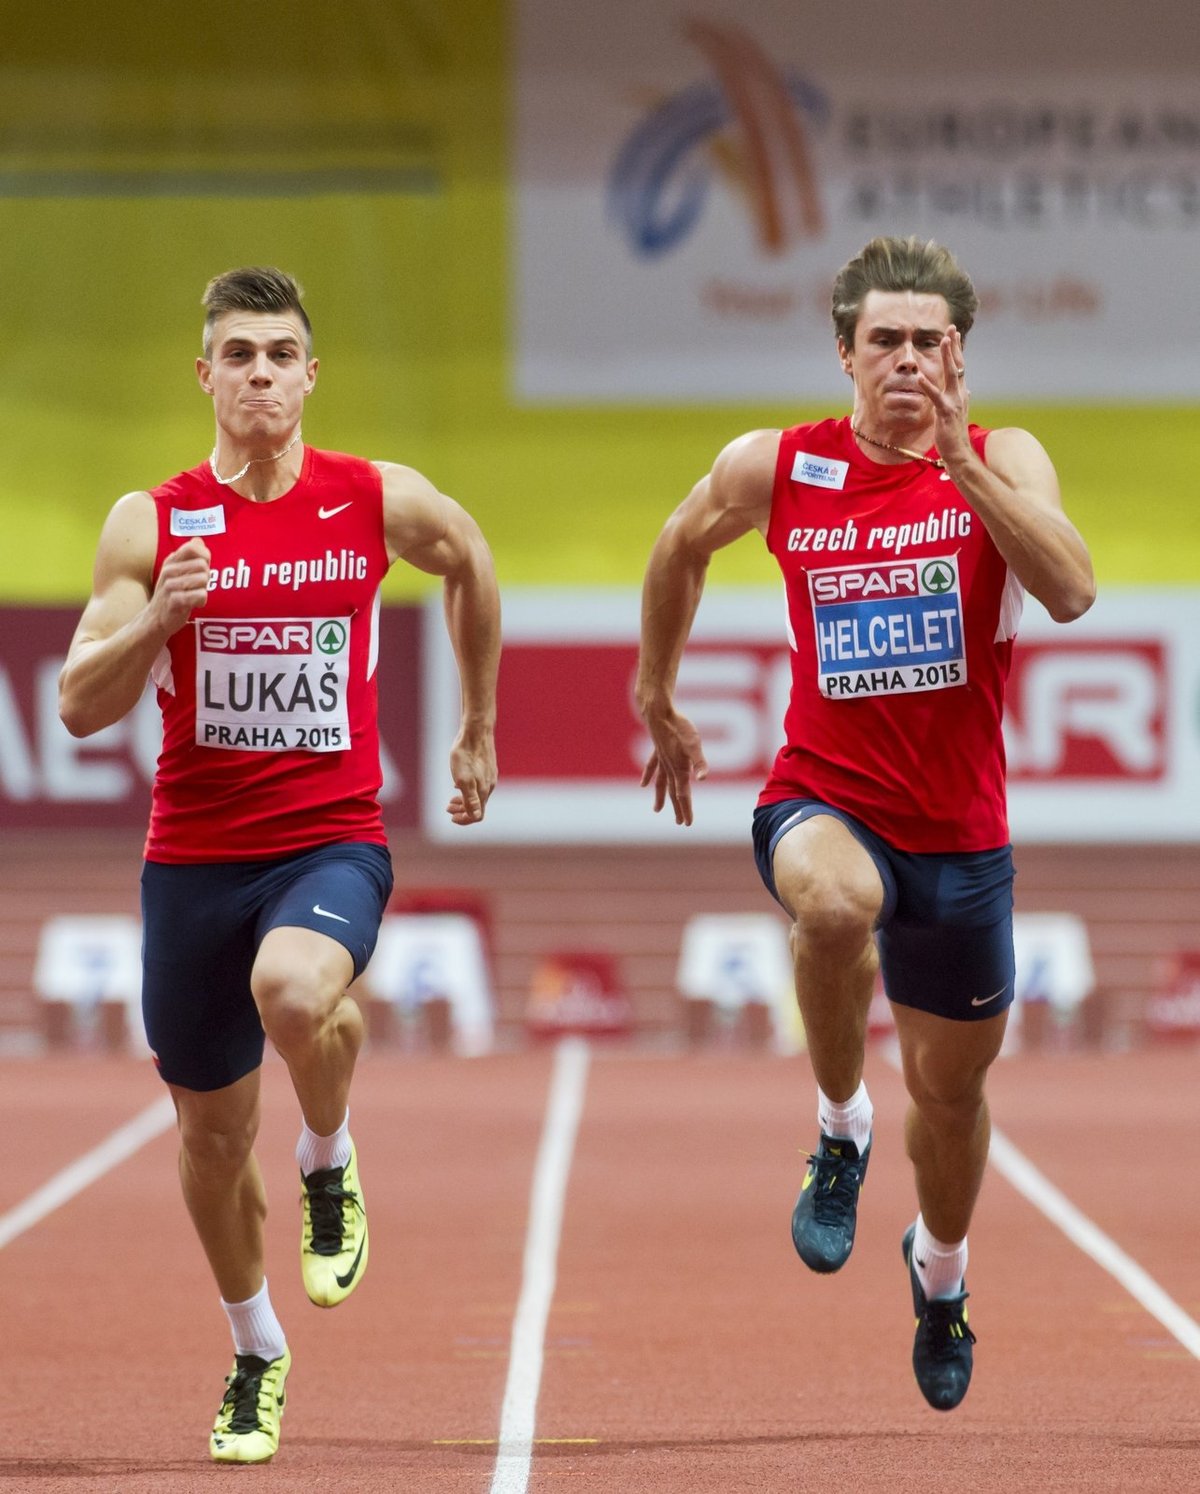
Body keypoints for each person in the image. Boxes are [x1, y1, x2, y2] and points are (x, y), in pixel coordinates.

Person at [636, 235, 1094, 1411]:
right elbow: (679, 544)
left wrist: (962, 465)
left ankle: (940, 1277)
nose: (906, 360)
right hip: (823, 798)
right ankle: (839, 1131)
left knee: (950, 1103)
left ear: (960, 355)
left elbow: (1072, 588)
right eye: (883, 340)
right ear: (843, 352)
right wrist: (657, 689)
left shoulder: (1003, 457)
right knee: (834, 907)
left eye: (929, 342)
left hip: (960, 837)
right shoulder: (777, 467)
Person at [58, 267, 500, 1462]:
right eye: (239, 354)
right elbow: (77, 706)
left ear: (312, 376)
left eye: (281, 354)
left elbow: (468, 559)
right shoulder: (150, 524)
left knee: (297, 993)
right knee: (207, 1142)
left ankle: (326, 1159)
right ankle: (256, 1350)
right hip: (193, 860)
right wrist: (159, 622)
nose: (261, 374)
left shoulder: (370, 498)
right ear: (205, 376)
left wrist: (475, 726)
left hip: (329, 836)